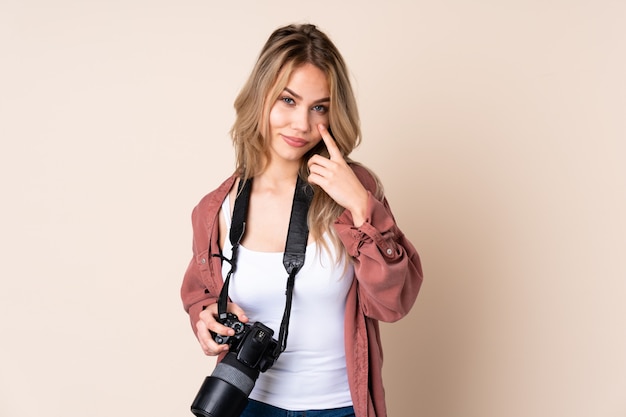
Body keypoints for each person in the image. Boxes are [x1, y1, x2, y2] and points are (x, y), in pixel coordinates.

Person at [181, 23, 423, 417]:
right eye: (288, 101)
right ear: (260, 98)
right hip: (249, 403)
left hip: (341, 407)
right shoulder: (217, 208)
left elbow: (393, 304)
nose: (301, 125)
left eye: (319, 107)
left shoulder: (354, 191)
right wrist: (204, 315)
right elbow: (199, 294)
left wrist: (363, 210)